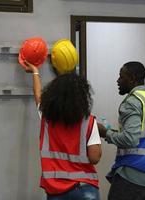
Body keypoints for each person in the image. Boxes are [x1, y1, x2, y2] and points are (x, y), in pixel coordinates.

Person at [23, 61, 102, 200]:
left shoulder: (47, 118)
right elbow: (94, 158)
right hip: (85, 188)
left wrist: (35, 72)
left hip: (56, 190)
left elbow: (38, 95)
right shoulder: (89, 122)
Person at [97, 61, 145, 200]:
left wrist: (105, 133)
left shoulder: (133, 101)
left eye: (121, 77)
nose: (118, 81)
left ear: (132, 78)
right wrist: (117, 133)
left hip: (133, 175)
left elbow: (131, 139)